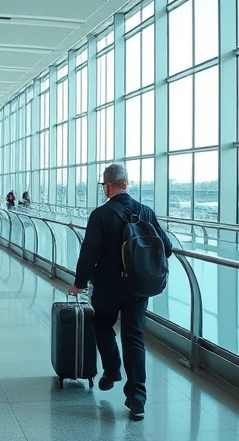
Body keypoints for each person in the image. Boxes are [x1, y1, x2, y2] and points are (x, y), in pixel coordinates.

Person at [67, 164, 172, 422]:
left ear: (108, 186)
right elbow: (166, 248)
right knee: (134, 337)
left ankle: (112, 369)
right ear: (127, 183)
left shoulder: (100, 215)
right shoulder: (145, 212)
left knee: (102, 326)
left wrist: (79, 283)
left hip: (107, 287)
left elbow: (88, 253)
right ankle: (137, 400)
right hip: (139, 287)